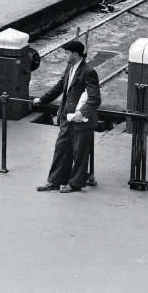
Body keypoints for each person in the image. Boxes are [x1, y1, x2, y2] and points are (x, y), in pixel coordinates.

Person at [34, 40, 100, 193]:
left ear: (75, 54)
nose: (65, 55)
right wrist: (43, 99)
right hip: (66, 117)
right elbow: (60, 86)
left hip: (80, 119)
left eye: (67, 53)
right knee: (61, 148)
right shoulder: (70, 68)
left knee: (79, 151)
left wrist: (81, 111)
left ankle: (75, 183)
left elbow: (94, 98)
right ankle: (55, 181)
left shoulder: (89, 72)